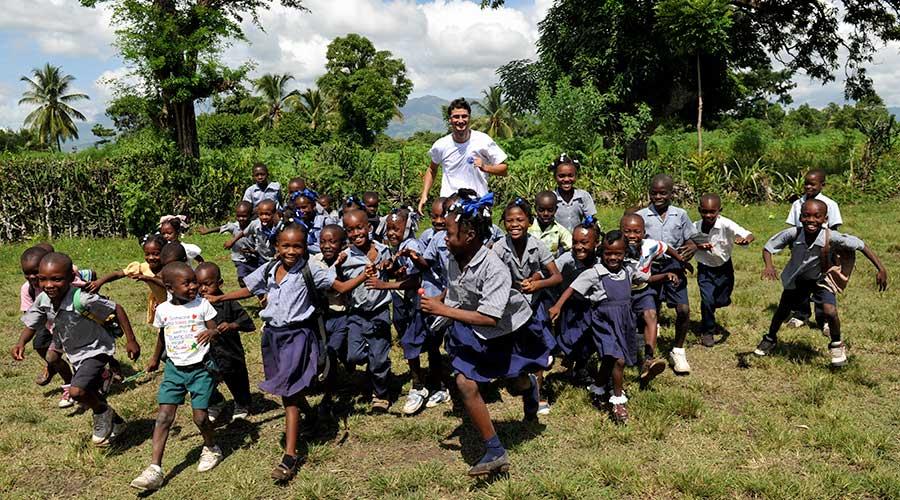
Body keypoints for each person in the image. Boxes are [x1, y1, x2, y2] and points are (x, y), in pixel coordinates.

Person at [209, 224, 366, 480]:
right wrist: (220, 298)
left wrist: (363, 276)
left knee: (289, 395)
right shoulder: (271, 267)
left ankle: (290, 456)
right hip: (272, 336)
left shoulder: (311, 268)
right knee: (285, 387)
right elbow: (251, 288)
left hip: (297, 336)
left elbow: (340, 287)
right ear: (276, 247)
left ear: (305, 248)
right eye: (286, 246)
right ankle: (312, 415)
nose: (291, 251)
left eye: (297, 246)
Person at [420, 190, 552, 477]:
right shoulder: (456, 257)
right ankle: (495, 449)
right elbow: (457, 290)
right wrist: (439, 302)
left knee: (514, 383)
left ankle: (528, 385)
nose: (444, 237)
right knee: (465, 382)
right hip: (473, 328)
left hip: (507, 331)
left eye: (450, 232)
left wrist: (442, 310)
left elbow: (490, 317)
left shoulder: (494, 268)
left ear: (468, 236)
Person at [14, 252, 140, 447]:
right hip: (70, 347)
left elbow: (117, 308)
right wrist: (21, 343)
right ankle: (117, 422)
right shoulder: (43, 300)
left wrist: (131, 340)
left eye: (56, 279)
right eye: (43, 279)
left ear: (71, 278)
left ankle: (101, 413)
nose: (48, 285)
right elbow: (32, 324)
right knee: (58, 362)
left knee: (78, 392)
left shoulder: (83, 299)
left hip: (95, 349)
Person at [754, 199, 888, 367]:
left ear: (825, 219)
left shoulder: (831, 236)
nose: (811, 220)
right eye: (806, 216)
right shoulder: (793, 234)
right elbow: (768, 247)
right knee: (782, 310)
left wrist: (881, 268)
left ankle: (837, 345)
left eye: (817, 216)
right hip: (798, 279)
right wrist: (769, 266)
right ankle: (770, 338)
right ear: (800, 217)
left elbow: (861, 245)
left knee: (830, 312)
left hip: (821, 280)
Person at [130, 263, 222, 491]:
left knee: (200, 418)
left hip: (201, 368)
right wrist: (154, 358)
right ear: (169, 287)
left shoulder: (203, 305)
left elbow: (215, 329)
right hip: (174, 369)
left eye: (195, 282)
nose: (194, 287)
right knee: (163, 417)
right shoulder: (163, 310)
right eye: (187, 283)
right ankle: (154, 468)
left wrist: (212, 332)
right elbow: (163, 335)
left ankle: (211, 447)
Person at [549, 231, 644, 423]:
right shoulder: (594, 273)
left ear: (625, 253)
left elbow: (646, 279)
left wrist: (666, 275)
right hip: (603, 323)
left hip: (623, 321)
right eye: (608, 253)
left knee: (609, 360)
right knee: (618, 360)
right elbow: (572, 288)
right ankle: (618, 402)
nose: (613, 257)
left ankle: (598, 386)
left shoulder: (628, 270)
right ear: (602, 252)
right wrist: (558, 306)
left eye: (618, 253)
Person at [367, 208, 444, 415]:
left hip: (419, 299)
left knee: (413, 341)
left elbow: (414, 279)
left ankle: (419, 385)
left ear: (408, 228)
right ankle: (435, 382)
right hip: (405, 300)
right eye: (389, 228)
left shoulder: (411, 245)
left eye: (397, 229)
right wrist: (391, 269)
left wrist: (385, 285)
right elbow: (402, 272)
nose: (392, 233)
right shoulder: (397, 246)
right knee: (419, 341)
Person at [492, 196, 562, 415]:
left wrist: (537, 283)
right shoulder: (499, 247)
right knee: (512, 350)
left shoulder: (537, 245)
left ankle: (538, 396)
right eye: (510, 220)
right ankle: (522, 382)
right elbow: (492, 277)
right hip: (510, 306)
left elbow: (556, 276)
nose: (515, 225)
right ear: (503, 222)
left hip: (534, 305)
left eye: (520, 220)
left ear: (529, 222)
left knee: (538, 351)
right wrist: (512, 284)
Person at [637, 174, 698, 375]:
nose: (658, 196)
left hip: (674, 265)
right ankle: (647, 352)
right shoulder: (642, 216)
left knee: (683, 309)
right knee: (650, 309)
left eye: (663, 193)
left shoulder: (680, 214)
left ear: (671, 193)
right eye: (654, 193)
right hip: (650, 266)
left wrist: (691, 248)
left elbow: (691, 240)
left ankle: (678, 350)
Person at [620, 213, 688, 387]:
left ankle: (649, 359)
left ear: (644, 232)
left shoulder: (650, 246)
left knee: (651, 315)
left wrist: (681, 260)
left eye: (637, 231)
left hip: (643, 290)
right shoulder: (617, 247)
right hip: (622, 294)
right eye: (627, 231)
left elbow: (665, 247)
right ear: (621, 231)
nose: (632, 236)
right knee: (626, 327)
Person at [340, 209, 395, 412]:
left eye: (359, 228)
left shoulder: (383, 250)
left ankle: (381, 394)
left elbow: (393, 270)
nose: (356, 233)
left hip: (379, 312)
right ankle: (372, 367)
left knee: (379, 358)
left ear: (369, 227)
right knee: (353, 356)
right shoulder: (345, 256)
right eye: (350, 230)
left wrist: (390, 267)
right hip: (356, 313)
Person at [418, 98, 508, 214]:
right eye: (456, 117)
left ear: (469, 118)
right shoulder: (441, 145)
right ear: (450, 119)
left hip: (478, 204)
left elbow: (504, 169)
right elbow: (432, 169)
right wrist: (424, 194)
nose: (460, 120)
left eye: (464, 116)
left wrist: (485, 167)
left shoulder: (483, 140)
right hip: (450, 206)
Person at [196, 262, 256, 423]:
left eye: (207, 285)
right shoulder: (196, 304)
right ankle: (215, 402)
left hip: (229, 350)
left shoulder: (228, 302)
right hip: (207, 352)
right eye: (199, 285)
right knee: (204, 379)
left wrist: (231, 325)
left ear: (219, 283)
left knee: (236, 378)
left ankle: (242, 403)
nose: (203, 289)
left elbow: (247, 322)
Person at [784, 168, 843, 330]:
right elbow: (792, 229)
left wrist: (831, 251)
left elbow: (834, 229)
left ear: (822, 185)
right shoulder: (797, 204)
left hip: (822, 252)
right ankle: (801, 313)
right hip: (801, 250)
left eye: (813, 184)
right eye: (806, 184)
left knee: (821, 283)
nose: (808, 187)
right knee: (800, 283)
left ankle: (823, 319)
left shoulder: (830, 204)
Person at [693, 194, 754, 347]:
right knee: (707, 300)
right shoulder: (694, 227)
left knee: (721, 300)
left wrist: (746, 239)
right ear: (699, 210)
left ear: (719, 210)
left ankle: (718, 302)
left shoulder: (726, 224)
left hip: (724, 268)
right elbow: (686, 242)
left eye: (712, 212)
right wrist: (697, 246)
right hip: (705, 269)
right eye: (704, 212)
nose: (708, 215)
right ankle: (708, 331)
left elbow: (748, 233)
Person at [19, 246, 73, 405]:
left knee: (79, 358)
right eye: (26, 273)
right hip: (48, 323)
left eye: (35, 272)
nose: (31, 277)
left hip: (73, 326)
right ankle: (68, 383)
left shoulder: (67, 279)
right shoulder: (27, 289)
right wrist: (21, 342)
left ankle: (100, 376)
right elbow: (31, 318)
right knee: (43, 347)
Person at [550, 217, 600, 384]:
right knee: (568, 338)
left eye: (584, 242)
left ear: (596, 243)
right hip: (568, 307)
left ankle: (581, 367)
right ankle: (569, 362)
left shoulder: (600, 261)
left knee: (589, 338)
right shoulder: (567, 259)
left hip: (591, 307)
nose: (579, 247)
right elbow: (550, 271)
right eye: (575, 242)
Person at [87, 234, 168, 325]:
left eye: (156, 254)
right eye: (147, 254)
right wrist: (100, 282)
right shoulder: (143, 267)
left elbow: (169, 285)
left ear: (165, 252)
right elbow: (118, 274)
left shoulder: (170, 267)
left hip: (176, 304)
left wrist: (148, 278)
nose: (151, 258)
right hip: (161, 304)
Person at [197, 201, 257, 286]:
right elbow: (221, 228)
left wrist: (253, 251)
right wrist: (206, 231)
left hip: (253, 257)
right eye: (238, 216)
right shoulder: (234, 226)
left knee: (257, 278)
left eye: (244, 216)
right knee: (242, 278)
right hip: (239, 258)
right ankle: (244, 288)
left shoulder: (254, 226)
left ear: (250, 215)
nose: (241, 219)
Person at [551, 154, 597, 233]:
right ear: (555, 177)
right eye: (561, 176)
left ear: (576, 176)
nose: (566, 179)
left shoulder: (583, 196)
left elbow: (591, 220)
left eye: (570, 175)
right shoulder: (551, 198)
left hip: (578, 240)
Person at [225, 199, 281, 264]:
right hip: (262, 257)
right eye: (261, 214)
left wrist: (279, 253)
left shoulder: (279, 227)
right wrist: (232, 241)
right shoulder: (255, 224)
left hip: (276, 257)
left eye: (268, 214)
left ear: (274, 214)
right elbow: (243, 233)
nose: (264, 217)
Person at [286, 188, 336, 254]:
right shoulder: (297, 223)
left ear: (314, 206)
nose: (301, 211)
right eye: (298, 208)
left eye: (304, 207)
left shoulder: (325, 221)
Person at [529, 190, 573, 256]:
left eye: (550, 210)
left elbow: (571, 246)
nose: (546, 214)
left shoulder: (559, 230)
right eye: (541, 210)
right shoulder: (528, 227)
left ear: (555, 210)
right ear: (535, 209)